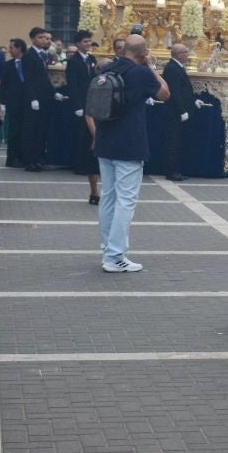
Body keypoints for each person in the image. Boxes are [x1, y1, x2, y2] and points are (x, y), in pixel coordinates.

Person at [93, 34, 169, 273]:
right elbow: (165, 93)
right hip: (129, 144)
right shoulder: (141, 72)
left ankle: (109, 249)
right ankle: (115, 256)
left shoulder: (107, 68)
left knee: (109, 197)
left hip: (105, 141)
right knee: (126, 201)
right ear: (143, 53)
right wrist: (152, 67)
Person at [161, 43, 205, 182]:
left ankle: (176, 169)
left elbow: (184, 91)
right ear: (179, 54)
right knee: (173, 142)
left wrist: (193, 102)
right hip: (174, 113)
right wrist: (182, 111)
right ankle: (171, 171)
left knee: (178, 141)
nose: (188, 54)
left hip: (180, 111)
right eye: (186, 52)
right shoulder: (172, 68)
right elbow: (175, 92)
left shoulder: (177, 67)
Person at [66, 31, 101, 202]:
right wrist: (77, 105)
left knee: (89, 136)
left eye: (90, 41)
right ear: (78, 43)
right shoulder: (74, 61)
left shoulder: (91, 60)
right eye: (86, 41)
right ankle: (80, 165)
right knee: (82, 135)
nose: (88, 44)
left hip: (92, 101)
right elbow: (72, 84)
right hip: (81, 103)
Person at [20, 27, 57, 172]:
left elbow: (45, 78)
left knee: (41, 130)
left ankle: (38, 158)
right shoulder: (29, 55)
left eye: (44, 37)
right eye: (40, 37)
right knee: (32, 130)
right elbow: (28, 79)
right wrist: (33, 98)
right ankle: (30, 160)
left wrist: (53, 92)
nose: (43, 40)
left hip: (44, 97)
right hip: (34, 99)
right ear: (33, 39)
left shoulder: (43, 55)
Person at [0, 39, 27, 168]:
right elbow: (3, 85)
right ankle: (12, 158)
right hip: (13, 102)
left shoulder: (27, 63)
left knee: (24, 131)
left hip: (26, 101)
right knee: (13, 130)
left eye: (12, 47)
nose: (10, 50)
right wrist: (3, 101)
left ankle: (23, 157)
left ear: (19, 48)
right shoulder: (8, 65)